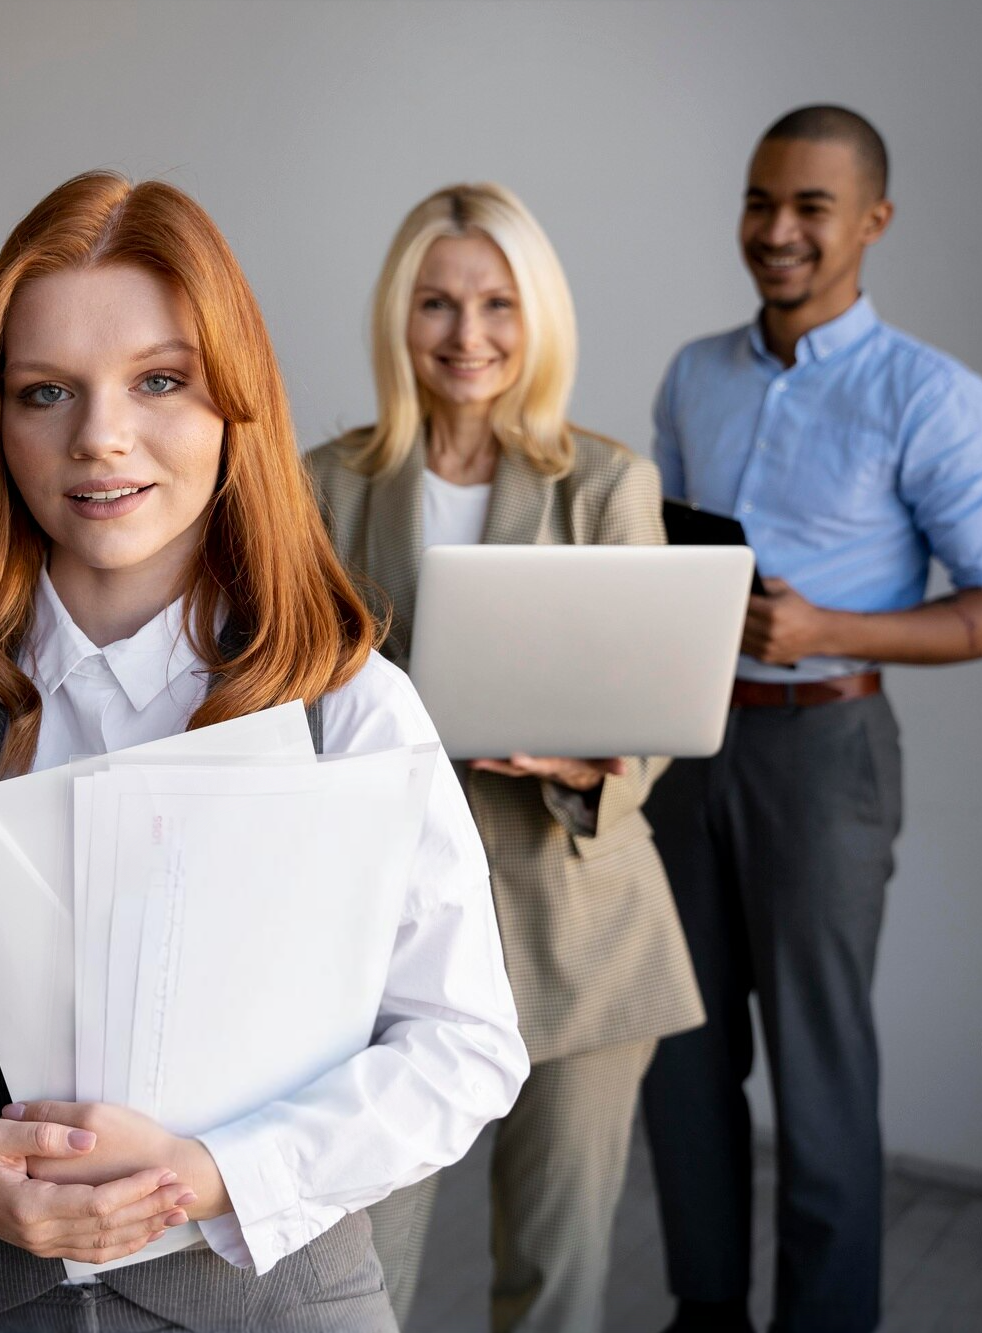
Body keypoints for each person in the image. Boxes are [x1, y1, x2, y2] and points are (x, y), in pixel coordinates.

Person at [0, 171, 529, 1333]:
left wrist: (212, 1174)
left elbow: (462, 1043)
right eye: (45, 391)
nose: (98, 438)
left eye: (158, 380)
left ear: (235, 400)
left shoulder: (351, 707)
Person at [640, 106, 982, 1333]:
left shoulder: (932, 396)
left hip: (825, 751)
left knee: (816, 1076)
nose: (774, 231)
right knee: (679, 1058)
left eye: (808, 207)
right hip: (683, 746)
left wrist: (830, 631)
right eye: (759, 201)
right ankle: (704, 1310)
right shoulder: (693, 374)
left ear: (870, 220)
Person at [308, 182, 706, 1333]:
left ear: (537, 318)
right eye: (435, 302)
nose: (466, 335)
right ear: (398, 315)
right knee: (354, 1274)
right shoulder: (322, 482)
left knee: (551, 1278)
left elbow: (655, 716)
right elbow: (271, 687)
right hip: (375, 942)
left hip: (571, 925)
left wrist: (588, 763)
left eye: (495, 304)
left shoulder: (606, 482)